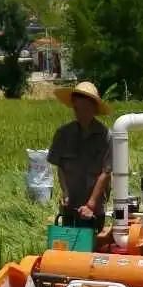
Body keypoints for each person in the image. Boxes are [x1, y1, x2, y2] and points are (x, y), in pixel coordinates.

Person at [48, 81, 112, 232]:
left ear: (94, 109)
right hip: (71, 206)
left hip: (93, 210)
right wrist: (65, 192)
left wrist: (91, 204)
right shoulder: (63, 134)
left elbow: (106, 172)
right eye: (77, 109)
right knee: (69, 248)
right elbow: (61, 167)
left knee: (90, 251)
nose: (80, 113)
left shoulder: (106, 137)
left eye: (85, 108)